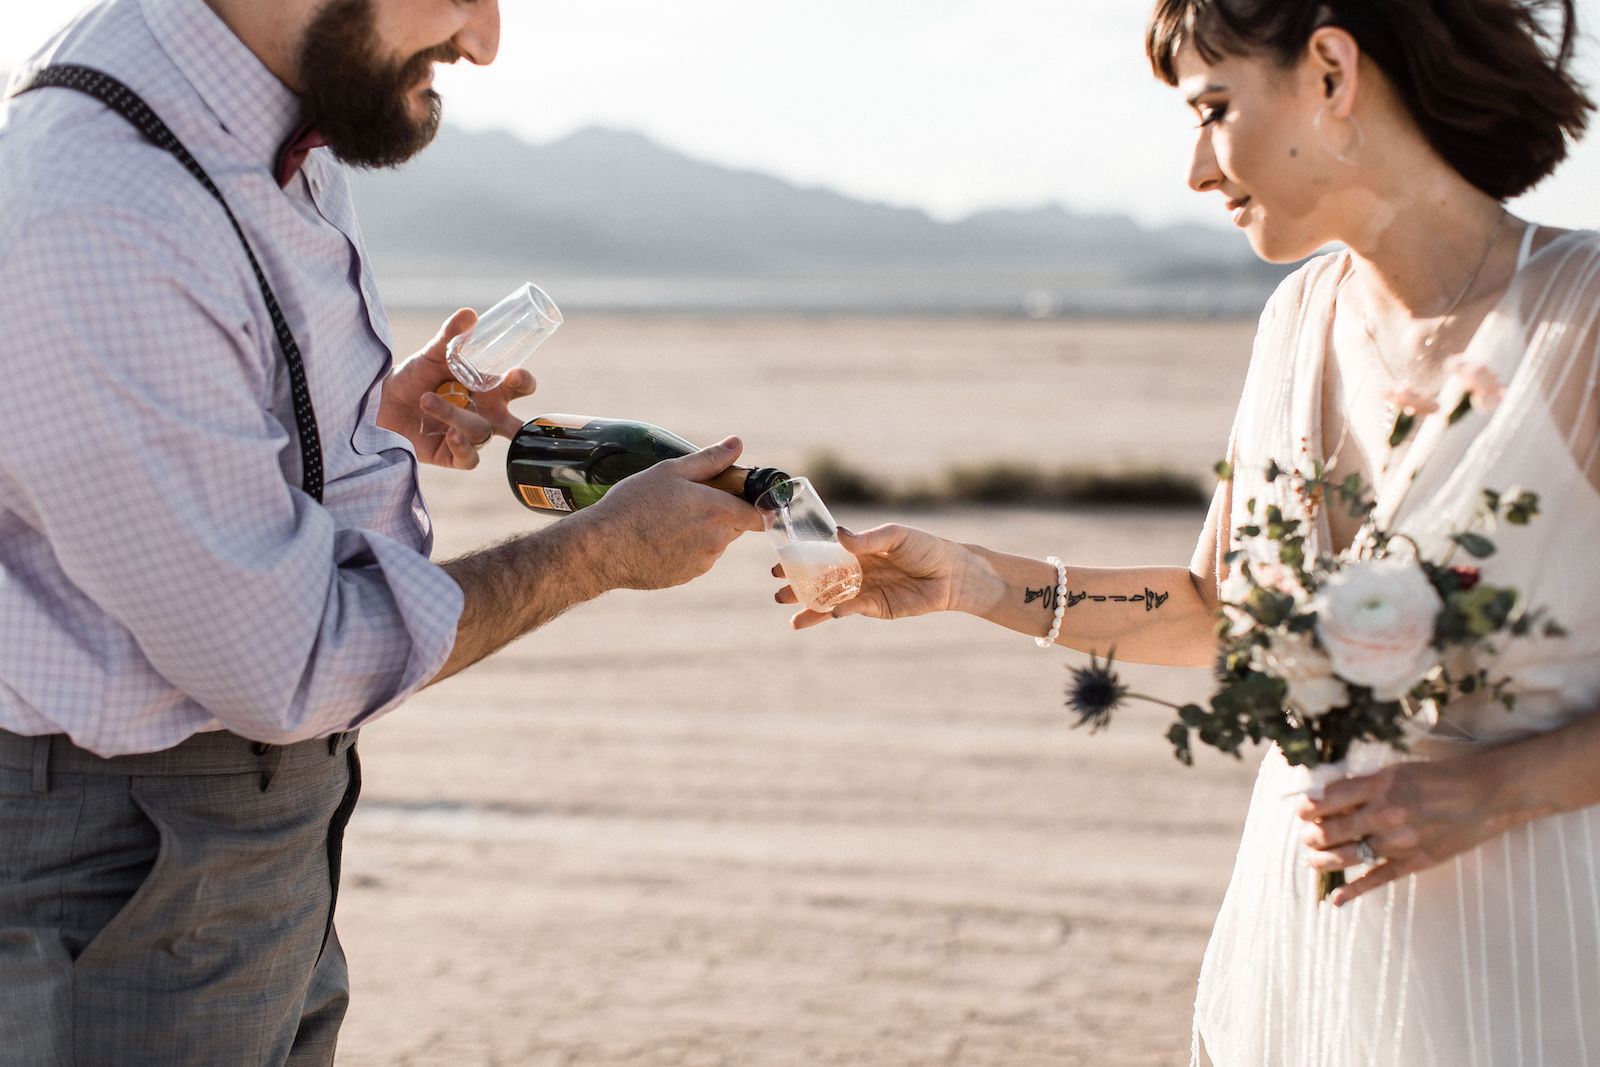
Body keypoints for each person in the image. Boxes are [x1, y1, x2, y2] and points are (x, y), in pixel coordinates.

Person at [774, 1, 1600, 1062]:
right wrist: (976, 582)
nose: (1196, 171)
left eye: (1213, 108)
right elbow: (1220, 613)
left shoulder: (1582, 320)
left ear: (1332, 72)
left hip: (1540, 952)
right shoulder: (1297, 321)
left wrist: (1489, 789)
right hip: (1307, 955)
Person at [0, 0, 760, 1062]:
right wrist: (595, 555)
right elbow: (286, 661)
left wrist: (362, 425)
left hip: (241, 835)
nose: (482, 41)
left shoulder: (270, 122)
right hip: (128, 865)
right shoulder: (109, 202)